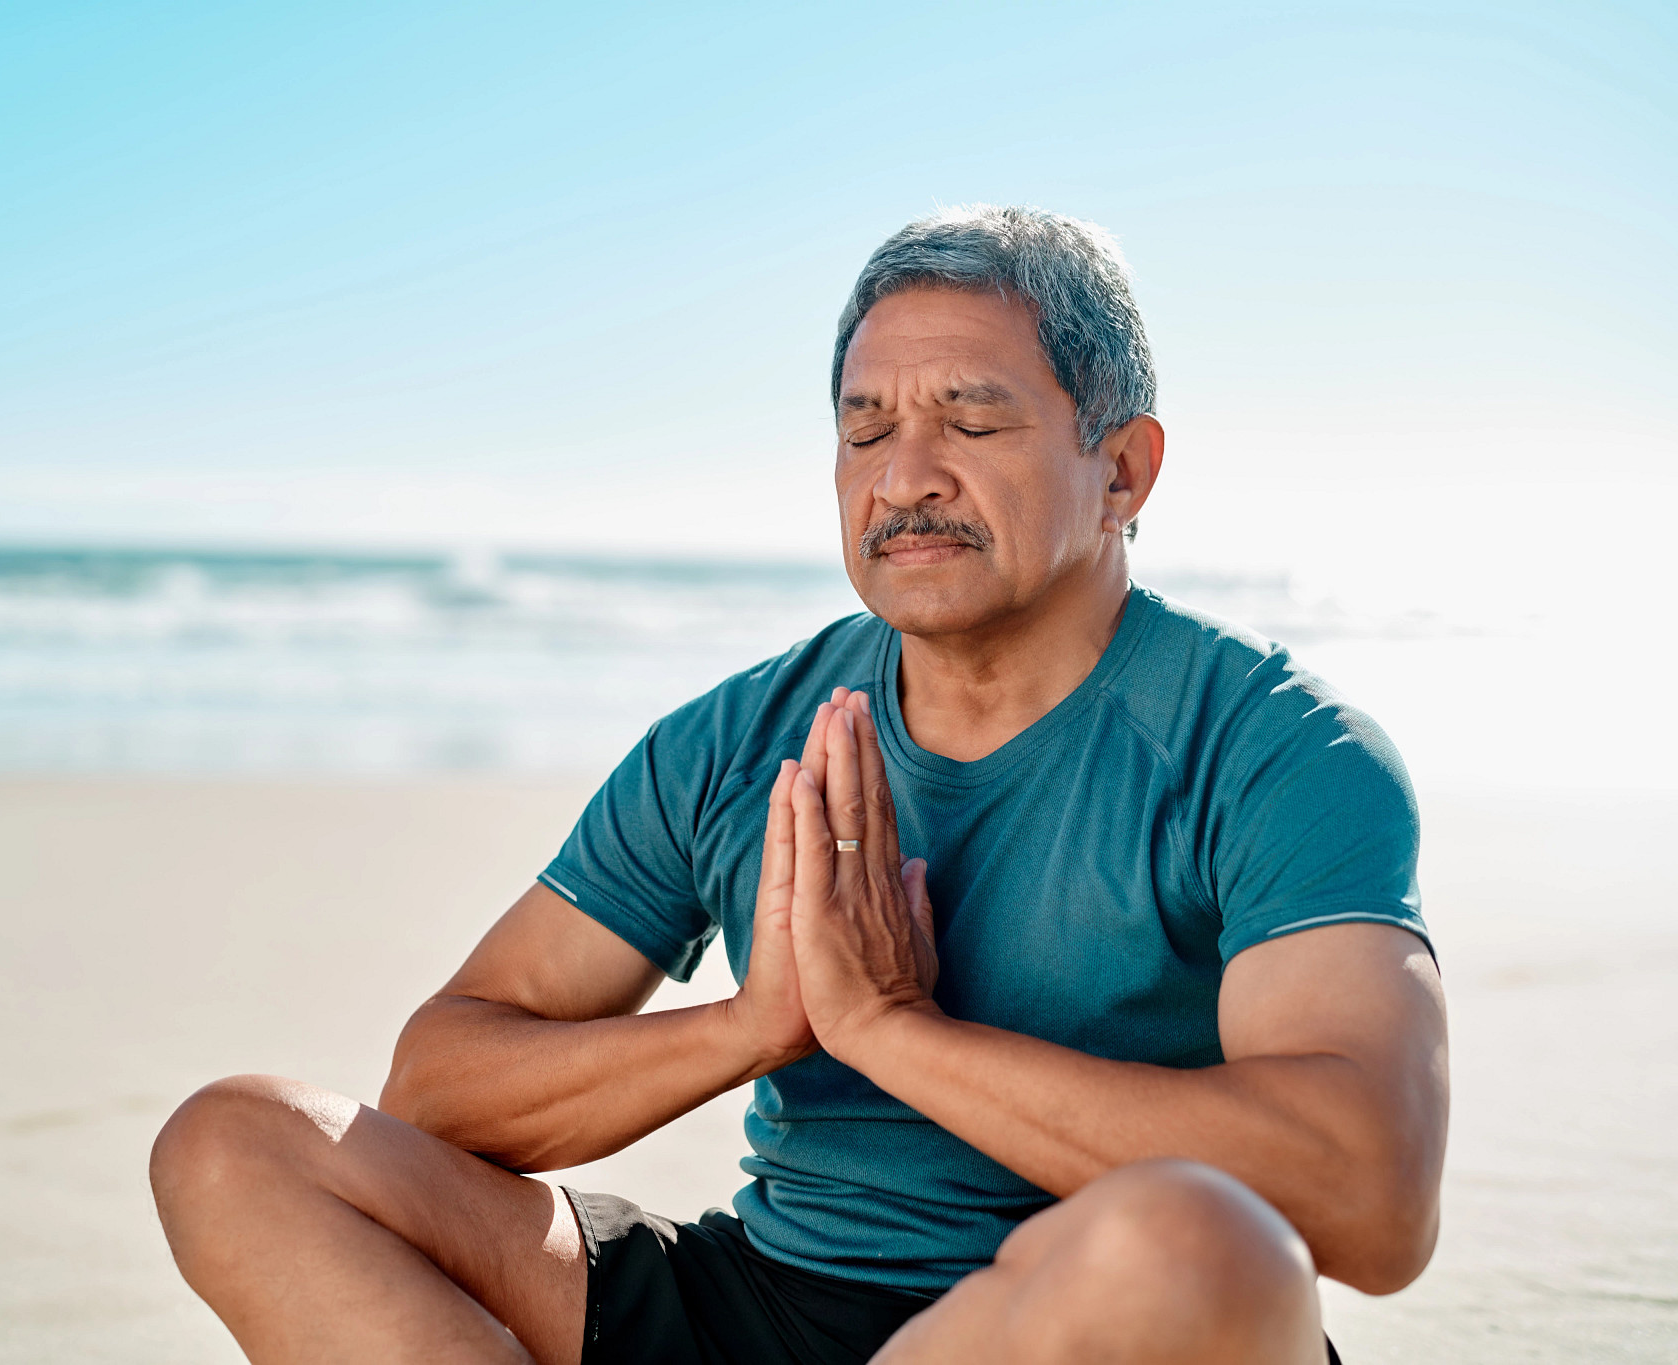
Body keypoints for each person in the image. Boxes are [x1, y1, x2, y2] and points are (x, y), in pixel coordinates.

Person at [148, 204, 1449, 1365]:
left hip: (1086, 1318)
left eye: (972, 419)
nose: (904, 474)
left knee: (1198, 1245)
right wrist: (754, 1025)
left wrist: (898, 1032)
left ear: (1123, 468)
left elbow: (1369, 1201)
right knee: (242, 1143)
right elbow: (441, 1088)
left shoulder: (1272, 750)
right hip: (762, 1300)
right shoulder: (744, 737)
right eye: (866, 426)